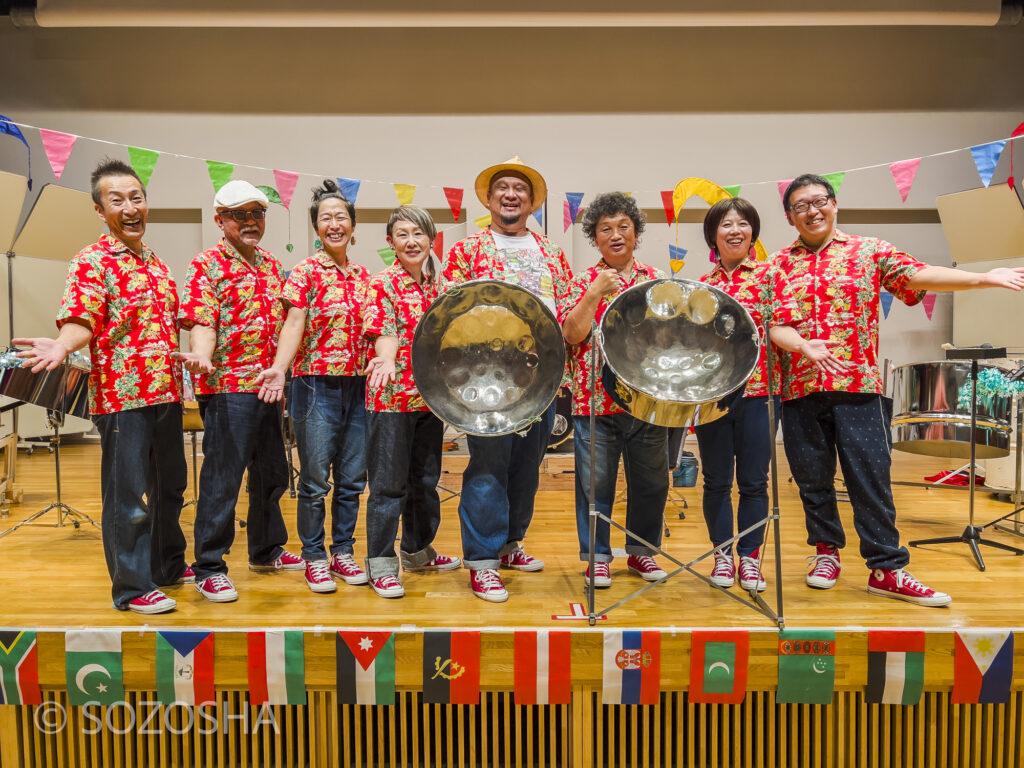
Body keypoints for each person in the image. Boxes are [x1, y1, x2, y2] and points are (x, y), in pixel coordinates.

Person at [769, 173, 1024, 606]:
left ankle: (886, 568)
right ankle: (825, 554)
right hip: (798, 388)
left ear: (834, 204)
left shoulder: (870, 251)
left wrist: (983, 278)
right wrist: (804, 348)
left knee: (871, 480)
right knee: (812, 480)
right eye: (800, 206)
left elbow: (920, 274)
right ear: (790, 217)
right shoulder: (778, 264)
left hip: (859, 387)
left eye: (819, 201)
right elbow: (776, 325)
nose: (812, 211)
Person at [14, 158, 191, 614]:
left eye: (137, 198)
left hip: (166, 393)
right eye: (118, 200)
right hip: (122, 397)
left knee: (171, 486)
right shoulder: (92, 262)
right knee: (128, 495)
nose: (130, 207)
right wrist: (61, 345)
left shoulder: (157, 264)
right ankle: (132, 588)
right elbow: (82, 318)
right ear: (100, 210)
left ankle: (168, 566)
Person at [442, 156, 573, 602]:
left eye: (520, 188)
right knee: (488, 465)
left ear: (532, 200)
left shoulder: (551, 252)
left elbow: (567, 310)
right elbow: (452, 315)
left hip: (540, 377)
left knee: (526, 467)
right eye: (503, 188)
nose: (511, 195)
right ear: (491, 198)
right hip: (488, 378)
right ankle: (481, 560)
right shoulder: (466, 249)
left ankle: (511, 542)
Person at [177, 180, 301, 603]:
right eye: (239, 214)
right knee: (222, 479)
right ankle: (209, 566)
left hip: (268, 386)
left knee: (271, 474)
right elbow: (201, 321)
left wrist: (281, 372)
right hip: (228, 387)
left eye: (257, 213)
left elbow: (291, 320)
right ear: (220, 220)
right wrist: (201, 355)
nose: (250, 222)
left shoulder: (270, 264)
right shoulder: (206, 264)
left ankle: (265, 550)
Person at [255, 180, 370, 594]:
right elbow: (294, 322)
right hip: (315, 387)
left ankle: (343, 551)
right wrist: (280, 369)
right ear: (316, 228)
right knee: (316, 480)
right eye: (326, 218)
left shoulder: (364, 276)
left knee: (354, 479)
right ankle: (315, 557)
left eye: (341, 217)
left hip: (359, 389)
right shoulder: (304, 272)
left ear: (353, 226)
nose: (334, 224)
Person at [560, 192, 669, 588]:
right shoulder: (581, 281)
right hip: (595, 403)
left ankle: (641, 554)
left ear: (636, 232)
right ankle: (598, 557)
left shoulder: (658, 280)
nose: (616, 234)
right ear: (595, 238)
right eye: (606, 229)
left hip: (647, 401)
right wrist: (594, 293)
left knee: (651, 483)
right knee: (595, 486)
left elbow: (671, 340)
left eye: (624, 226)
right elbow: (572, 336)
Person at [361, 205, 462, 599]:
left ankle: (418, 551)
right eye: (402, 234)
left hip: (429, 401)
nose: (411, 241)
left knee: (424, 482)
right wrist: (386, 357)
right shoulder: (382, 284)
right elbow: (385, 333)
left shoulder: (442, 287)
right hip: (390, 400)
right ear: (391, 243)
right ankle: (382, 564)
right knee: (388, 486)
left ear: (431, 239)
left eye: (418, 234)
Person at [694, 198, 778, 593]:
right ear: (714, 234)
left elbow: (780, 329)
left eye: (743, 223)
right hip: (712, 399)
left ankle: (750, 559)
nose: (734, 230)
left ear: (752, 233)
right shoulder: (700, 288)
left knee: (754, 483)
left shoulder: (770, 278)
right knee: (714, 481)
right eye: (725, 224)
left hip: (757, 394)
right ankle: (722, 556)